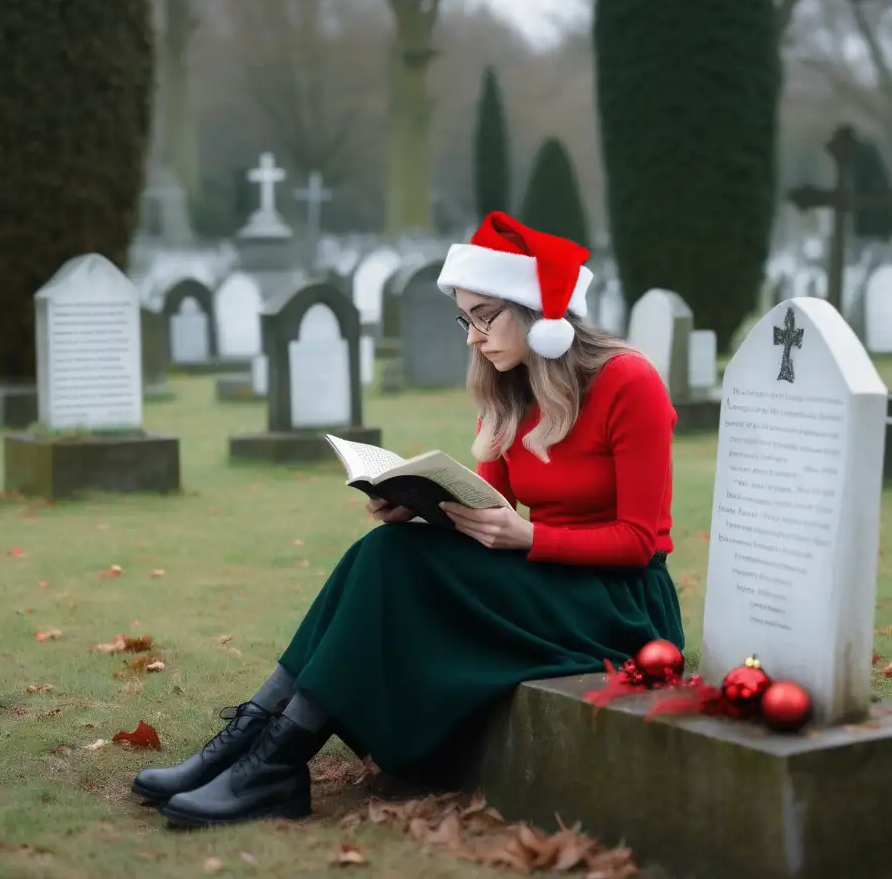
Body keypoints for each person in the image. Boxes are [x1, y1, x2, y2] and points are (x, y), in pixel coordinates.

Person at [132, 210, 684, 829]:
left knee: (390, 564)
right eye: (464, 319)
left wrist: (529, 535)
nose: (473, 336)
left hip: (619, 603)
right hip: (544, 575)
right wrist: (418, 506)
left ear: (539, 313)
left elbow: (641, 542)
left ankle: (270, 761)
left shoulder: (628, 382)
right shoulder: (509, 386)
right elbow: (488, 511)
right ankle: (251, 748)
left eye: (485, 316)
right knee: (383, 551)